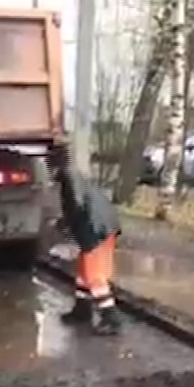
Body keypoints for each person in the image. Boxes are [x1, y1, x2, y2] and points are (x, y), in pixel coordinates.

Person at [48, 141, 122, 336]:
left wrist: (64, 224)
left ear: (54, 165)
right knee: (83, 273)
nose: (49, 173)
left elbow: (77, 206)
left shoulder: (69, 179)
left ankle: (111, 318)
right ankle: (82, 309)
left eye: (49, 167)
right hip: (99, 226)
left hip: (96, 230)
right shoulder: (71, 174)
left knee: (94, 276)